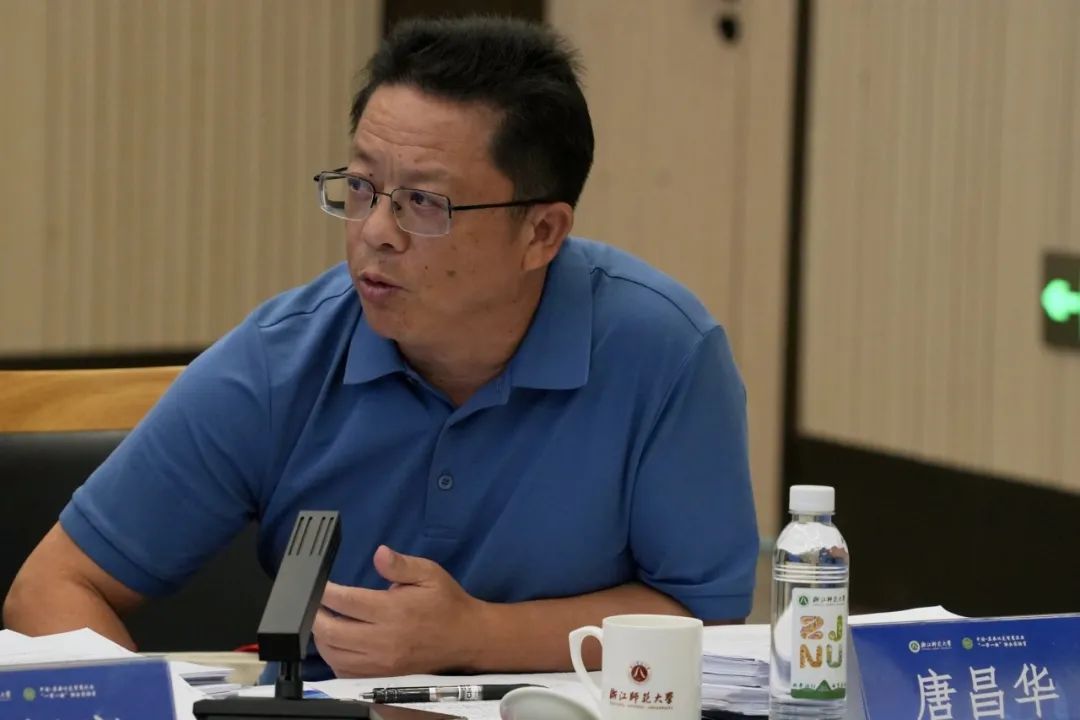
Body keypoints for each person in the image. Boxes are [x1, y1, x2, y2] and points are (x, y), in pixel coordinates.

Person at [3, 15, 758, 680]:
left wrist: (477, 635)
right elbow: (53, 587)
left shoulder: (662, 351)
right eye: (361, 188)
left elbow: (706, 619)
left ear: (541, 232)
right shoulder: (280, 360)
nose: (375, 232)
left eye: (424, 202)